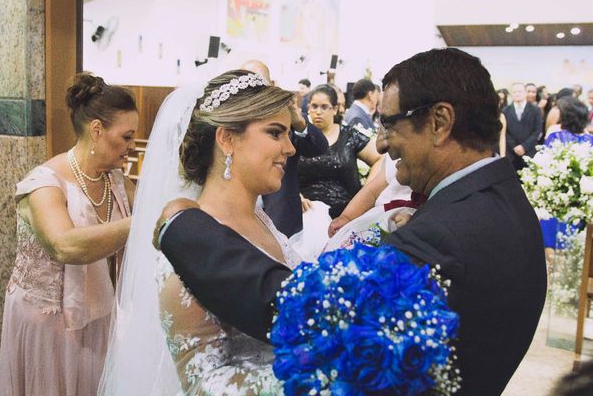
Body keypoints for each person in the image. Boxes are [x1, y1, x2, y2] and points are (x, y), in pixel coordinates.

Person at [159, 48, 546, 396]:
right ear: (226, 139)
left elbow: (313, 309)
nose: (380, 144)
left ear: (440, 122)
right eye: (274, 132)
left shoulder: (448, 234)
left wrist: (181, 227)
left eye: (390, 124)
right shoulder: (501, 204)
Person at [99, 70, 302, 395]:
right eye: (276, 133)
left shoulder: (262, 220)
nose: (290, 148)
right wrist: (320, 377)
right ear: (226, 138)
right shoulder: (186, 243)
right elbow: (203, 382)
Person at [0, 73, 137, 395]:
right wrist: (141, 222)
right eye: (127, 137)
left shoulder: (115, 180)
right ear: (97, 130)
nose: (131, 147)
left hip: (98, 315)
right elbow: (64, 246)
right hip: (48, 325)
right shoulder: (44, 184)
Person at [244, 62, 328, 238]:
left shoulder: (286, 117)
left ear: (270, 85)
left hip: (282, 216)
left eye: (260, 84)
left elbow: (318, 147)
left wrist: (299, 121)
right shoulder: (230, 124)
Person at [298, 84, 382, 219]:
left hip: (346, 214)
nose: (318, 112)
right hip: (307, 216)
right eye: (314, 106)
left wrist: (367, 193)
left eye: (324, 107)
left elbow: (379, 158)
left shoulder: (349, 136)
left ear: (335, 109)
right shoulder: (300, 138)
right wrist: (295, 195)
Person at [540, 97, 593, 264]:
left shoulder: (555, 137)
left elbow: (543, 165)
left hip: (556, 201)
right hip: (579, 204)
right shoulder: (589, 141)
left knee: (551, 244)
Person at [503, 82, 544, 172]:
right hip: (511, 154)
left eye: (520, 91)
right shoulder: (505, 111)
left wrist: (524, 146)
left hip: (529, 152)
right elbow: (504, 132)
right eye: (514, 92)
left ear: (525, 93)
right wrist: (514, 146)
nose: (517, 94)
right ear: (511, 94)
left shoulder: (535, 110)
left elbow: (537, 131)